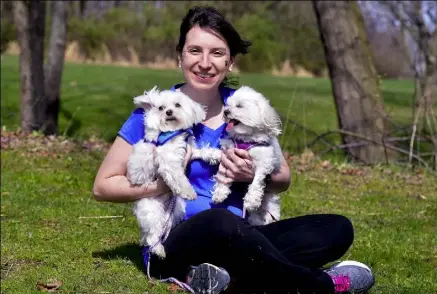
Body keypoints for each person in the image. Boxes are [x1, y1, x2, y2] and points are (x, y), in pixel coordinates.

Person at [93, 6, 375, 294]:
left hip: (243, 236)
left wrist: (253, 174)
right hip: (176, 241)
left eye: (216, 53)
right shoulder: (155, 112)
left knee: (336, 228)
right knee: (219, 220)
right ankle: (320, 285)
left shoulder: (243, 107)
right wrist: (163, 184)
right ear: (179, 56)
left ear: (230, 62)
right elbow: (103, 186)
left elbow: (284, 179)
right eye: (194, 51)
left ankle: (220, 278)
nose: (205, 63)